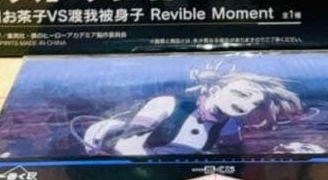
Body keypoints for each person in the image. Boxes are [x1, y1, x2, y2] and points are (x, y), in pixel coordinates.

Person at [80, 66, 304, 156]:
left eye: (255, 103)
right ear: (215, 89)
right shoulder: (168, 104)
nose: (246, 104)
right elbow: (127, 144)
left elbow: (234, 158)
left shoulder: (229, 125)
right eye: (241, 94)